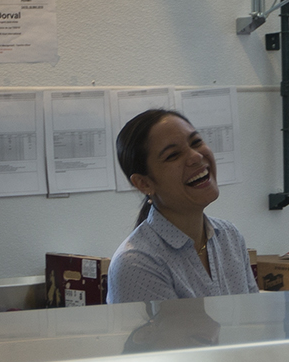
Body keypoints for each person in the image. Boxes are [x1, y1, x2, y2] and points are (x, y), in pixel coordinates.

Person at [109, 109, 259, 302]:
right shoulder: (137, 263)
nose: (196, 156)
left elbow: (253, 316)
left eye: (196, 142)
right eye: (173, 155)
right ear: (144, 183)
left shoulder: (229, 237)